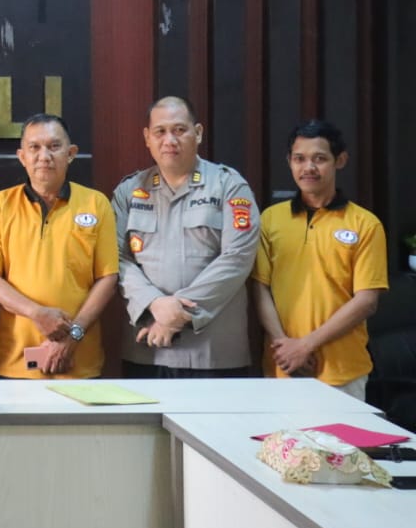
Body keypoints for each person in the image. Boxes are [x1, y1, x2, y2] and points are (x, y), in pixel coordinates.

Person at [113, 95, 260, 378]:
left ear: (198, 133)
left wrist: (172, 316)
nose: (170, 140)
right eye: (160, 131)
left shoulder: (229, 185)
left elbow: (237, 257)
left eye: (179, 130)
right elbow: (117, 258)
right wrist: (155, 303)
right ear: (147, 138)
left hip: (213, 352)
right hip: (147, 347)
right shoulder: (129, 191)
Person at [251, 120, 388, 400]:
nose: (308, 167)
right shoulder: (270, 219)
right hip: (282, 368)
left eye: (320, 159)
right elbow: (259, 288)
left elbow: (367, 300)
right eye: (299, 159)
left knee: (341, 433)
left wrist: (305, 346)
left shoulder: (365, 224)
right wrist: (286, 347)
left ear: (340, 160)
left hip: (342, 373)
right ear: (289, 162)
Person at [0, 114, 119, 379]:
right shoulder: (1, 205)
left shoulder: (96, 204)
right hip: (15, 361)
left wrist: (73, 335)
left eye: (54, 146)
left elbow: (108, 278)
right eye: (34, 147)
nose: (44, 156)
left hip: (80, 360)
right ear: (22, 156)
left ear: (71, 153)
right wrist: (37, 313)